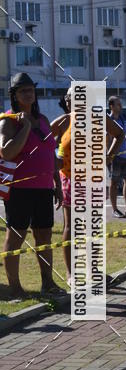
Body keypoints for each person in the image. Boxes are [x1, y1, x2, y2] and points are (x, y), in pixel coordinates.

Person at [0, 72, 64, 298]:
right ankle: (15, 288)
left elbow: (50, 155)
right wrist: (26, 126)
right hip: (19, 189)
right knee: (15, 237)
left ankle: (48, 282)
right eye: (23, 91)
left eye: (31, 90)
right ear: (14, 95)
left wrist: (57, 184)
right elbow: (6, 152)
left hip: (44, 188)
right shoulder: (9, 121)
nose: (29, 94)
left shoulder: (44, 120)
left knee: (44, 237)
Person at [55, 88, 123, 284]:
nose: (72, 102)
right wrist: (54, 162)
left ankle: (94, 271)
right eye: (69, 98)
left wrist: (109, 157)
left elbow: (120, 134)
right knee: (71, 227)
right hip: (71, 179)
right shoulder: (64, 121)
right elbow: (43, 141)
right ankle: (71, 273)